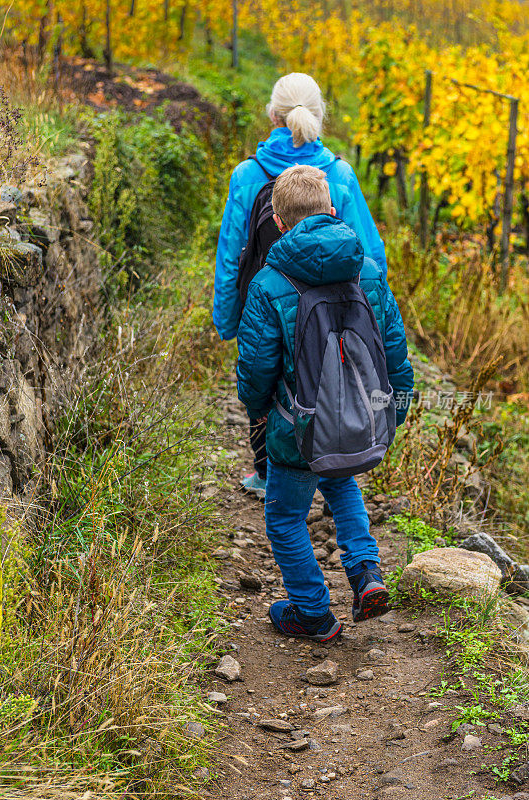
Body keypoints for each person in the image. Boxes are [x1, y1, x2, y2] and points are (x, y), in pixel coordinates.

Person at [236, 165, 414, 642]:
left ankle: (312, 612)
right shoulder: (369, 271)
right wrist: (390, 411)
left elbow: (257, 369)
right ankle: (366, 574)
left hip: (298, 428)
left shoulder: (270, 283)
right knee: (341, 482)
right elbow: (394, 352)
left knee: (285, 517)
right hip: (356, 417)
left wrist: (258, 411)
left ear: (277, 222)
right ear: (333, 212)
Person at [214, 72, 387, 499]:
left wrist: (227, 318)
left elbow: (231, 252)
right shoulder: (339, 174)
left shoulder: (248, 173)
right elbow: (370, 252)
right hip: (333, 314)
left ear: (272, 114)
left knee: (266, 384)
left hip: (265, 303)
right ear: (319, 114)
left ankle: (267, 473)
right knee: (324, 383)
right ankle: (334, 475)